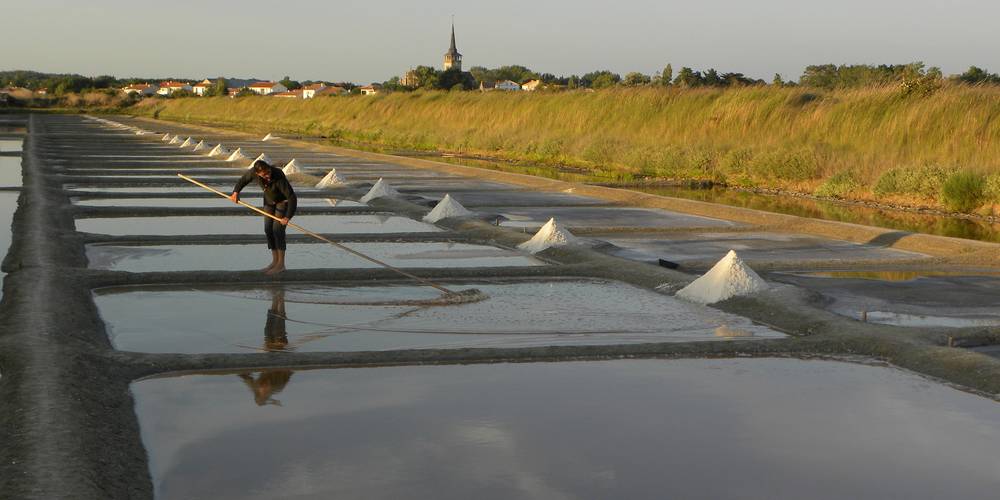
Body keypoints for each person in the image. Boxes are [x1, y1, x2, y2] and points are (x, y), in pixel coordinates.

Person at [229, 159, 297, 274]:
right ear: (258, 174)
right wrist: (236, 192)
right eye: (265, 174)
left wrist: (287, 217)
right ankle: (274, 262)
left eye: (269, 172)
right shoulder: (252, 173)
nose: (268, 175)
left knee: (278, 230)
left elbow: (292, 197)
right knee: (268, 229)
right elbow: (243, 180)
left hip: (282, 201)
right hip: (269, 201)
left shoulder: (278, 175)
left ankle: (281, 264)